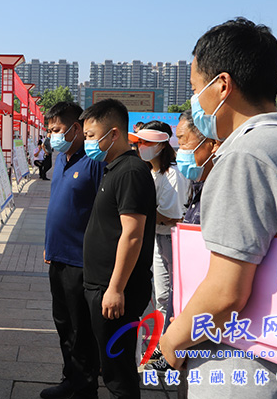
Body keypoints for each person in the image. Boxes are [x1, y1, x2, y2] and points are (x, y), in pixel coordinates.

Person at [159, 18, 277, 398]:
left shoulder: (246, 156)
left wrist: (171, 340)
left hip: (245, 376)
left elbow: (226, 292)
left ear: (222, 86)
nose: (195, 101)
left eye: (195, 88)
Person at [80, 99, 157, 398]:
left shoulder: (131, 172)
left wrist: (115, 288)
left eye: (90, 135)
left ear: (113, 134)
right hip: (101, 285)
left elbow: (133, 235)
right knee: (109, 363)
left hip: (115, 290)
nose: (87, 142)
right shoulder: (114, 168)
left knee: (118, 370)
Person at [41, 102, 104, 399]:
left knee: (81, 330)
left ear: (75, 128)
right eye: (49, 130)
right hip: (58, 257)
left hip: (81, 261)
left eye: (57, 130)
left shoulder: (93, 162)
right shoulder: (61, 160)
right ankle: (71, 378)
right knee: (63, 324)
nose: (52, 135)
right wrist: (49, 247)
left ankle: (84, 386)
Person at [129, 122, 189, 369]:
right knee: (162, 296)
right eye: (138, 143)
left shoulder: (174, 173)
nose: (140, 148)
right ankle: (160, 346)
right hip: (156, 237)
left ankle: (170, 350)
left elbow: (172, 215)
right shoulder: (148, 172)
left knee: (175, 297)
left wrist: (140, 212)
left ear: (162, 145)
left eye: (146, 143)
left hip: (172, 239)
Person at [174, 110, 220, 224]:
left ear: (213, 143)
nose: (180, 151)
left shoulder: (223, 190)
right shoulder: (197, 187)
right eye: (179, 144)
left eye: (184, 142)